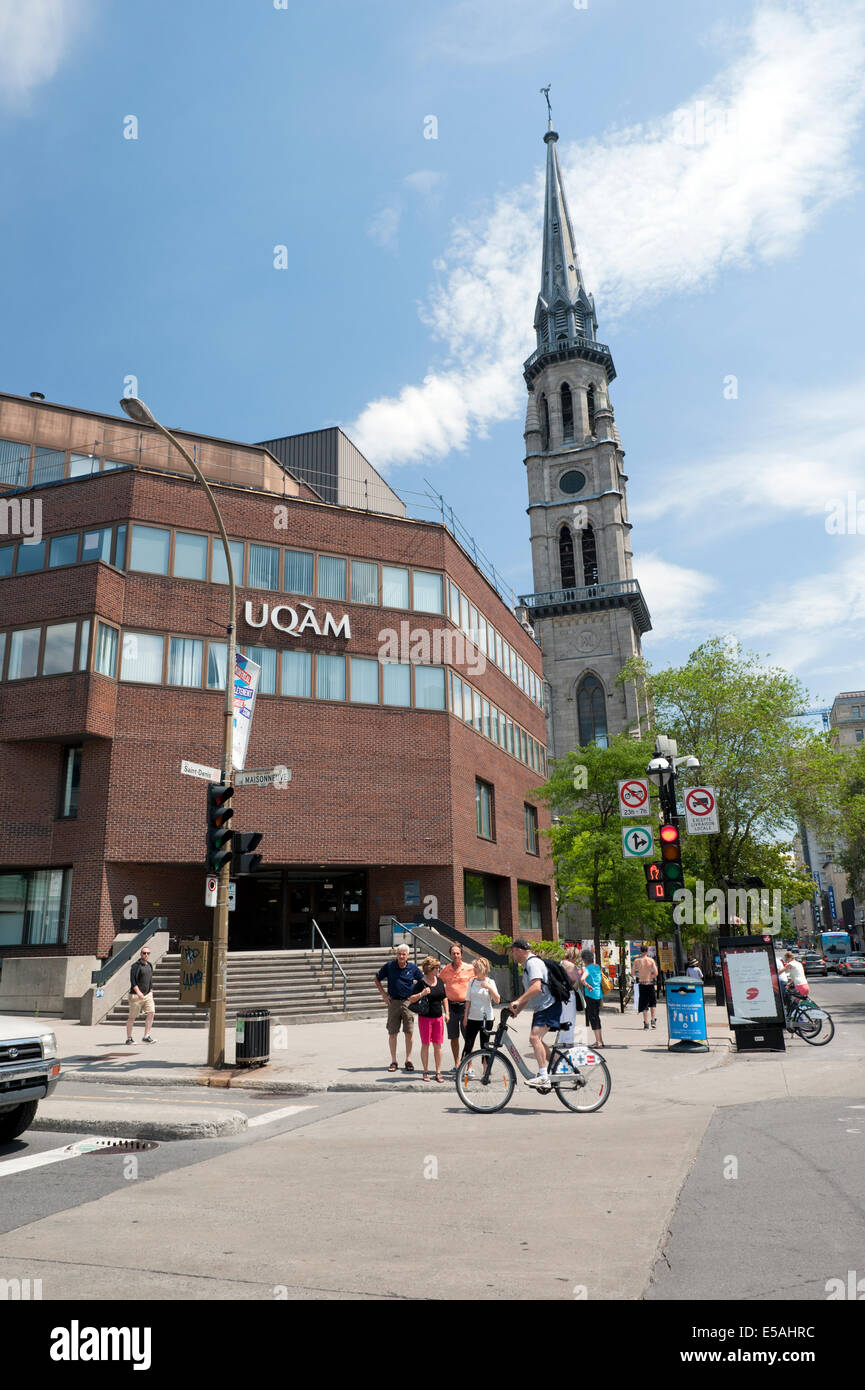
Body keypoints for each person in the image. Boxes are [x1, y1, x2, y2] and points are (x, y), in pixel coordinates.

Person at [507, 939, 562, 1085]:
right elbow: (530, 992)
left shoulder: (533, 963)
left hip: (549, 1006)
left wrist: (517, 1002)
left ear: (519, 950)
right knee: (538, 1040)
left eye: (512, 951)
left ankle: (544, 1076)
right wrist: (517, 1010)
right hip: (542, 1007)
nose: (511, 954)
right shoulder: (527, 966)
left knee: (534, 1038)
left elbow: (536, 987)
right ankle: (559, 1065)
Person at [374, 943, 424, 1072]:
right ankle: (394, 1061)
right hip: (393, 1003)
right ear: (396, 954)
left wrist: (417, 995)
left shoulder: (413, 968)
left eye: (404, 954)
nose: (401, 956)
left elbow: (423, 981)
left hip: (408, 1003)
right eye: (399, 953)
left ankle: (408, 1059)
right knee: (393, 1033)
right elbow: (376, 979)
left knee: (409, 1032)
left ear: (408, 955)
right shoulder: (389, 966)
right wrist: (384, 995)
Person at [407, 957, 449, 1082]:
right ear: (430, 969)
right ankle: (425, 1071)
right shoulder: (421, 983)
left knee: (438, 1045)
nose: (438, 969)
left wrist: (447, 1012)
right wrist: (422, 994)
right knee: (425, 1044)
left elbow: (444, 998)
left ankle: (438, 1072)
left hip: (438, 1018)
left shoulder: (440, 981)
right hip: (425, 1018)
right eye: (436, 968)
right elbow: (411, 999)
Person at [439, 942, 476, 1073]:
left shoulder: (470, 968)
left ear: (461, 955)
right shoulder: (445, 970)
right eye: (453, 953)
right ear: (450, 955)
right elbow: (438, 983)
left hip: (466, 1008)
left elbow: (477, 984)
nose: (455, 955)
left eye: (458, 953)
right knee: (454, 1038)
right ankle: (457, 1064)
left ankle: (470, 1067)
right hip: (451, 1008)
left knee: (468, 1038)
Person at [461, 956, 501, 1060]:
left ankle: (485, 1069)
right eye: (474, 967)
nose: (474, 970)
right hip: (473, 1017)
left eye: (476, 967)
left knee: (485, 1045)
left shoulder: (490, 982)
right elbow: (468, 1000)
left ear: (483, 969)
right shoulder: (472, 981)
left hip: (486, 1018)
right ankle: (464, 1068)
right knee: (468, 1044)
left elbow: (497, 1000)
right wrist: (465, 1016)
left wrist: (489, 988)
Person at [126, 946, 156, 1044]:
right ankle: (129, 1038)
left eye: (148, 953)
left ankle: (146, 1036)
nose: (146, 955)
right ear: (140, 954)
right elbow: (133, 981)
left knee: (151, 1013)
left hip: (147, 995)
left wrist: (151, 991)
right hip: (136, 996)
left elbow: (150, 980)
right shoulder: (136, 966)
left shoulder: (150, 965)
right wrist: (138, 992)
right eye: (144, 953)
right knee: (132, 1017)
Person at [578, 947, 605, 1048]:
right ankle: (600, 1040)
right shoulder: (597, 967)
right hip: (598, 994)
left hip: (591, 995)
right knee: (596, 1017)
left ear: (584, 960)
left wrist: (587, 985)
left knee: (593, 1018)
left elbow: (582, 979)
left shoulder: (587, 969)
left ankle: (598, 1042)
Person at [558, 946, 582, 1047]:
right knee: (570, 1018)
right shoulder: (572, 966)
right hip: (569, 994)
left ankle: (562, 1039)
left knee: (562, 1017)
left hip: (560, 994)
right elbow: (575, 983)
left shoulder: (561, 963)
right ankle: (568, 1041)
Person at [634, 944, 659, 1031]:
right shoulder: (651, 960)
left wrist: (640, 975)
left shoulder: (637, 961)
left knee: (644, 1004)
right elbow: (656, 973)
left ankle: (646, 1023)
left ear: (640, 951)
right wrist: (650, 977)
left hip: (642, 983)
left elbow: (633, 973)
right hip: (650, 983)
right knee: (653, 1002)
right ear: (647, 951)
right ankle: (653, 1020)